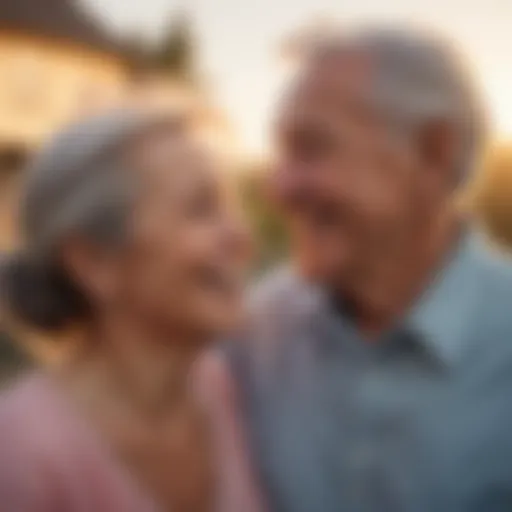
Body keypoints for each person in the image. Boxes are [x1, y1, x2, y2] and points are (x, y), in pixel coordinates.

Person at [222, 26, 512, 511]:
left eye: (311, 148)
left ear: (434, 152)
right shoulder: (256, 330)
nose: (278, 188)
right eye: (280, 153)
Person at [0, 109, 264, 512]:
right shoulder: (20, 454)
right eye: (200, 210)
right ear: (93, 262)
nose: (242, 236)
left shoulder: (221, 390)